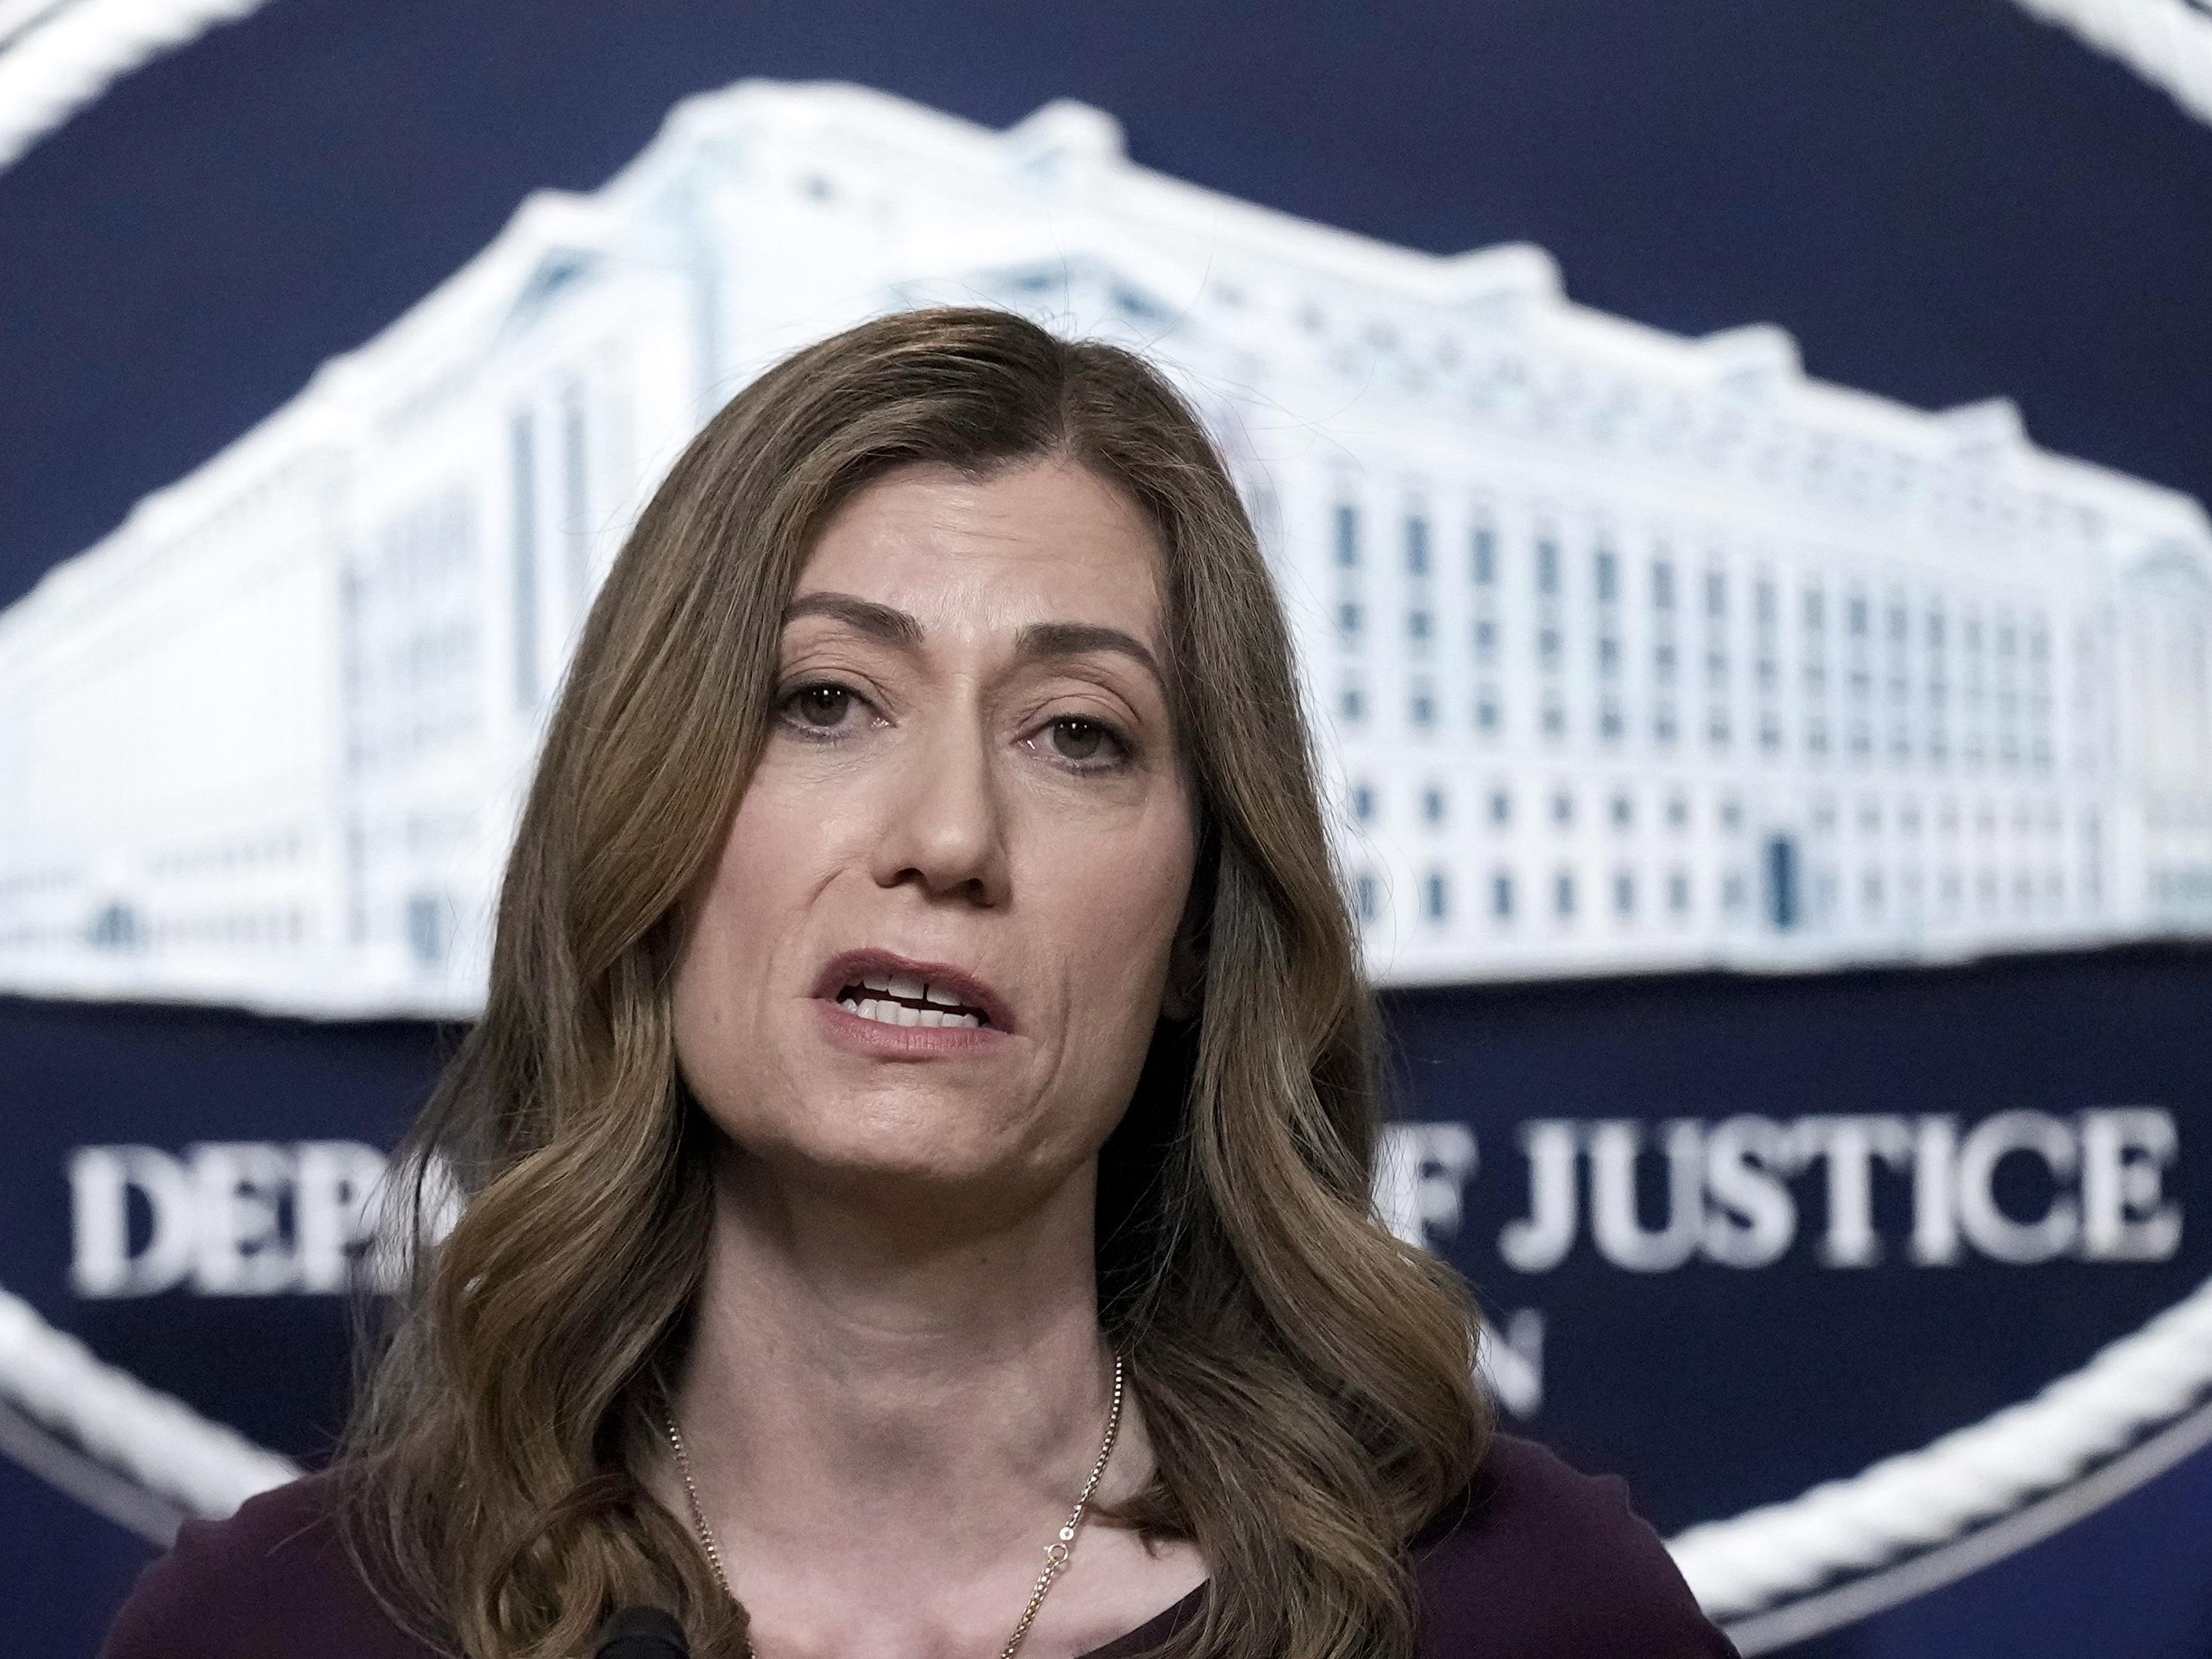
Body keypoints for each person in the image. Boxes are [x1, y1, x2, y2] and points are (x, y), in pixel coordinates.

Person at [101, 308, 1737, 1659]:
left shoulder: (1521, 1612)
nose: (949, 834)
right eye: (825, 700)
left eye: (1078, 735)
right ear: (645, 833)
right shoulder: (281, 1627)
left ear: (1193, 935)